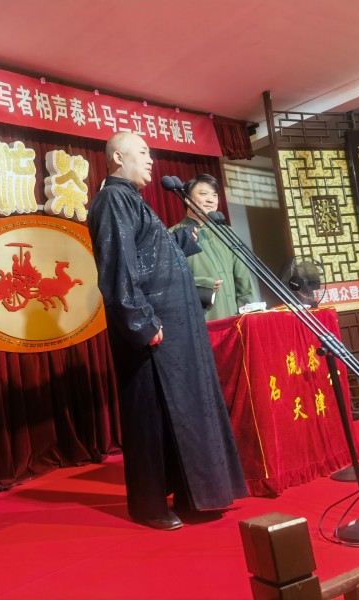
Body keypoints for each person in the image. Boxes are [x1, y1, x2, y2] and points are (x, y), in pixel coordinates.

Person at [87, 132, 247, 531]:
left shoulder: (134, 201)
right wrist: (141, 321)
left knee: (178, 412)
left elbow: (149, 257)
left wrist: (179, 239)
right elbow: (118, 265)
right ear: (118, 157)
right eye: (143, 152)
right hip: (151, 330)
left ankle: (189, 493)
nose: (150, 160)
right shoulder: (114, 199)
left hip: (173, 329)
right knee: (150, 416)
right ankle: (148, 505)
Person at [170, 174, 256, 321]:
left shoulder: (227, 232)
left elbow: (243, 279)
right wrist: (203, 285)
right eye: (203, 194)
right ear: (187, 198)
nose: (211, 200)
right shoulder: (172, 236)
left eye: (215, 195)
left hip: (235, 319)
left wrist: (250, 314)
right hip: (199, 319)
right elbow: (169, 282)